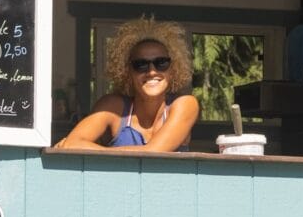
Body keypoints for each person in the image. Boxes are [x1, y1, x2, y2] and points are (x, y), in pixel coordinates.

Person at [54, 18, 201, 152]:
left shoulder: (185, 104)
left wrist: (100, 152)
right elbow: (71, 144)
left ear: (172, 69)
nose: (151, 71)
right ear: (127, 72)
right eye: (140, 65)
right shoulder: (113, 107)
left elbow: (154, 152)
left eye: (161, 63)